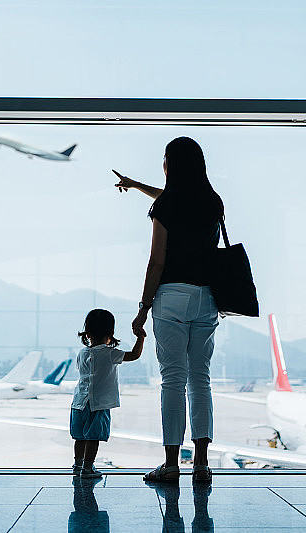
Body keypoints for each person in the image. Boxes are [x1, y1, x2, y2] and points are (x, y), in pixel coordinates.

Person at [113, 136, 224, 484]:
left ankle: (171, 464)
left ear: (169, 165)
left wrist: (143, 308)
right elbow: (177, 200)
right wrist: (136, 185)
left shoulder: (166, 205)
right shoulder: (213, 202)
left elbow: (156, 262)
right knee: (200, 379)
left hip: (171, 296)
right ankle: (202, 464)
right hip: (207, 297)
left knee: (173, 380)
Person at [71, 308, 146, 479]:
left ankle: (78, 465)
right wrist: (140, 337)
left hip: (79, 402)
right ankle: (88, 468)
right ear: (111, 333)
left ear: (87, 334)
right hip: (99, 403)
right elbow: (134, 355)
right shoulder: (110, 353)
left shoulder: (82, 353)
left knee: (80, 437)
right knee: (93, 437)